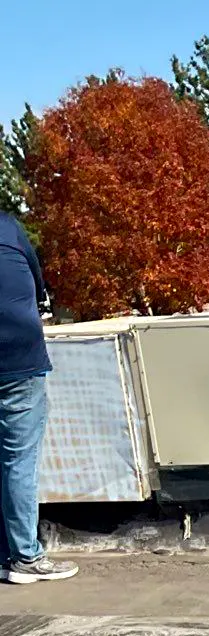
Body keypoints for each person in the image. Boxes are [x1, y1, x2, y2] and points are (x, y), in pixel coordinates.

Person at [0, 210, 76, 583]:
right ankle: (25, 557)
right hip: (19, 361)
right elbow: (36, 278)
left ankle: (5, 555)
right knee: (18, 462)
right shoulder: (8, 227)